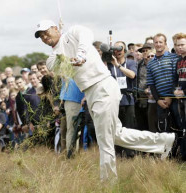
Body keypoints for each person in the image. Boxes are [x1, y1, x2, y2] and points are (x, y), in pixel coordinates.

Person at [35, 20, 176, 181]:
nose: (45, 37)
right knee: (117, 135)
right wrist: (72, 58)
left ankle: (108, 183)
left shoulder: (74, 32)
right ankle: (164, 141)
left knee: (105, 140)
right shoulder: (52, 59)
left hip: (103, 86)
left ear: (55, 28)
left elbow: (86, 35)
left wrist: (81, 54)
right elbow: (62, 66)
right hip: (90, 93)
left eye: (46, 32)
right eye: (41, 36)